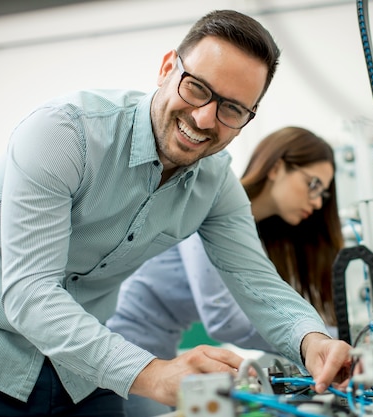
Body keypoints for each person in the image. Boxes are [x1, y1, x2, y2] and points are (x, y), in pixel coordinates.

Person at [0, 10, 352, 417]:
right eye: (197, 88)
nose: (204, 118)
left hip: (81, 374)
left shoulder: (216, 184)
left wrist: (313, 341)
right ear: (168, 68)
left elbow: (258, 283)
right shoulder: (64, 134)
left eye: (232, 110)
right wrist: (154, 373)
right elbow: (30, 294)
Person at [107, 126, 344, 416]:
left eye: (324, 193)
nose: (318, 201)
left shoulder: (253, 235)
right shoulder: (213, 209)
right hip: (126, 349)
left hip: (160, 349)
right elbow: (223, 319)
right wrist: (325, 339)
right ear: (277, 168)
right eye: (313, 184)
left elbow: (266, 308)